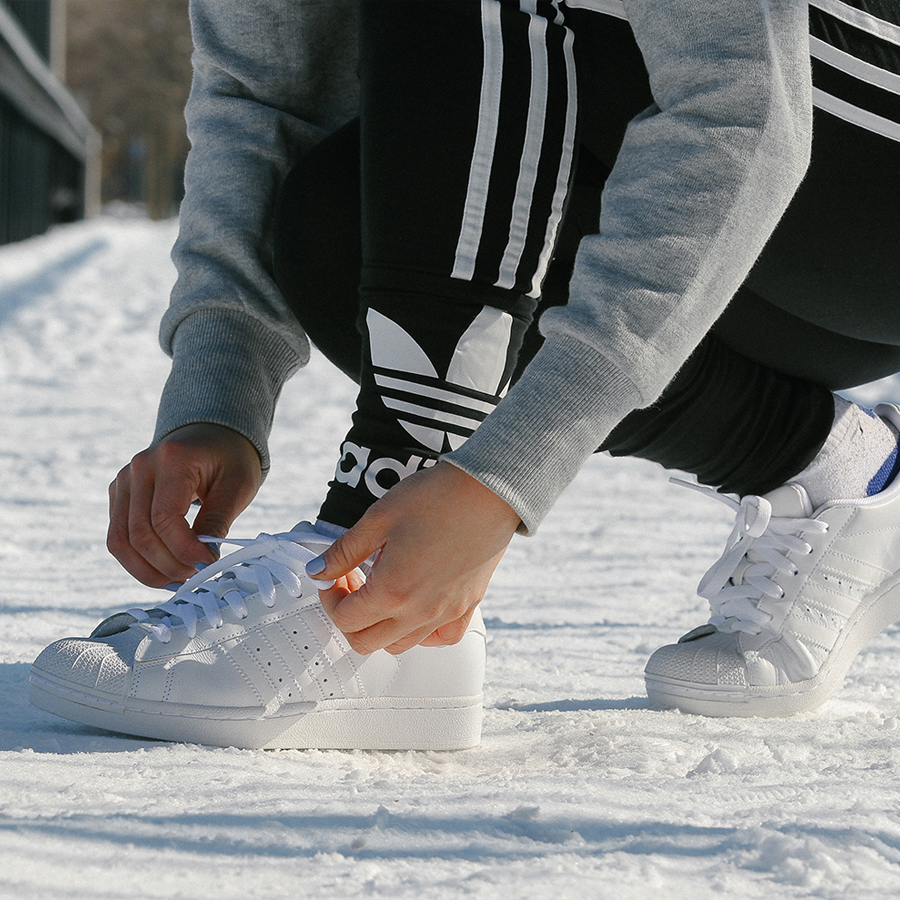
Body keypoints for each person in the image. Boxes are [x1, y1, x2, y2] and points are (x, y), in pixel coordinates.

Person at [29, 0, 900, 747]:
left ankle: (375, 597)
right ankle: (825, 463)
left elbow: (740, 95)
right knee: (344, 220)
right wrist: (216, 396)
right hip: (776, 239)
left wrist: (502, 477)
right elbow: (267, 95)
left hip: (856, 159)